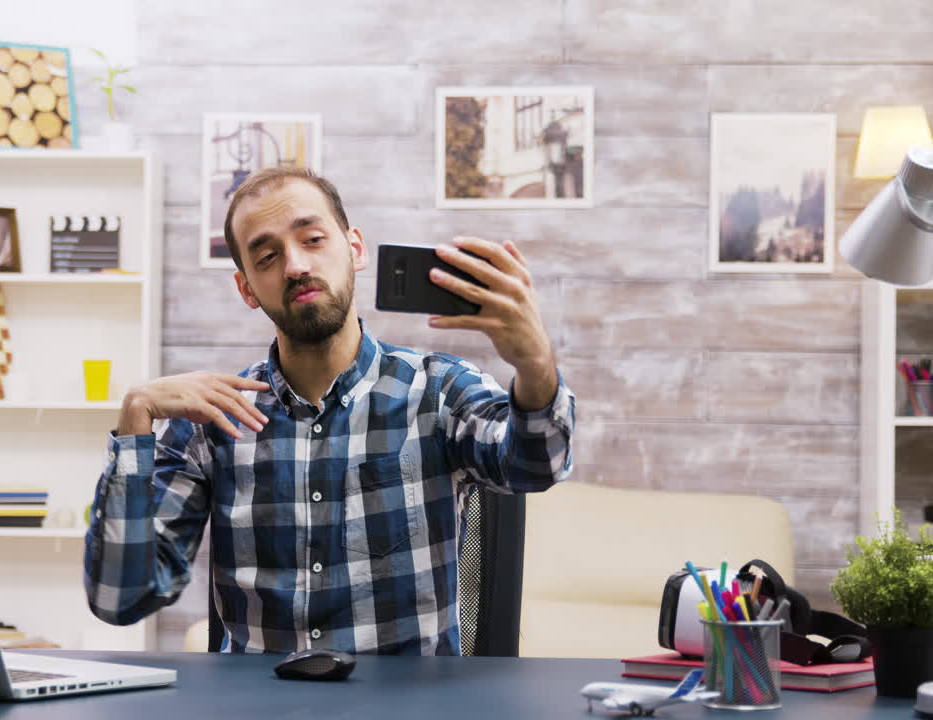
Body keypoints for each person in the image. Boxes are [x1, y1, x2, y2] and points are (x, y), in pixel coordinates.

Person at [84, 167, 575, 655]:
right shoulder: (212, 422)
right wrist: (136, 416)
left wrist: (535, 366)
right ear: (248, 289)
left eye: (313, 239)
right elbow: (119, 598)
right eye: (268, 255)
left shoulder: (439, 390)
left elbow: (538, 464)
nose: (295, 266)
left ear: (354, 249)